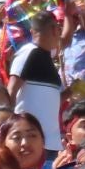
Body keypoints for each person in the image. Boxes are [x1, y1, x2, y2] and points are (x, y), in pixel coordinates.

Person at [8, 11, 65, 148]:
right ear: (54, 30)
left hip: (50, 142)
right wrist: (10, 125)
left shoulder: (47, 57)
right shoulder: (29, 52)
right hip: (29, 141)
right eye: (58, 29)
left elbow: (47, 100)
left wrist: (70, 92)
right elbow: (11, 89)